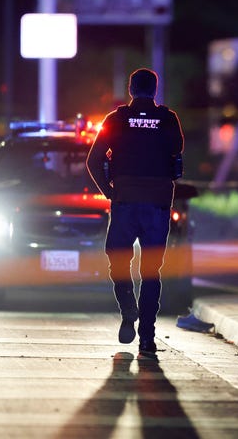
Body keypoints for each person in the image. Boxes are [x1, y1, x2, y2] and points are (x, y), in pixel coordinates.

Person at [86, 68, 184, 356]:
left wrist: (109, 190)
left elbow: (93, 161)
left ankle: (128, 309)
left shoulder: (115, 120)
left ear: (131, 89)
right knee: (152, 271)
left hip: (125, 201)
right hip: (157, 203)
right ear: (154, 89)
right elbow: (177, 151)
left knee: (117, 259)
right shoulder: (168, 118)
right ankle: (147, 338)